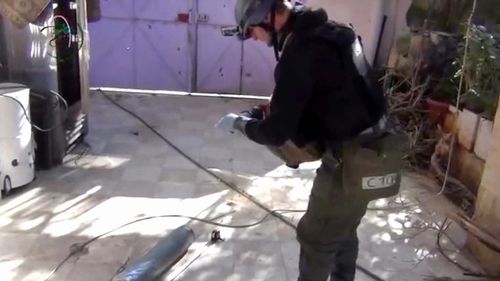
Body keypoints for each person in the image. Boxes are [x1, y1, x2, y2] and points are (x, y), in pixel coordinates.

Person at [215, 1, 405, 280]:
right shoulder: (335, 32)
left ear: (269, 16)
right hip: (377, 148)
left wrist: (243, 124)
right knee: (344, 228)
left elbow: (277, 133)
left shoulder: (301, 52)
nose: (254, 37)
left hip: (349, 161)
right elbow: (336, 91)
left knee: (317, 237)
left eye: (252, 30)